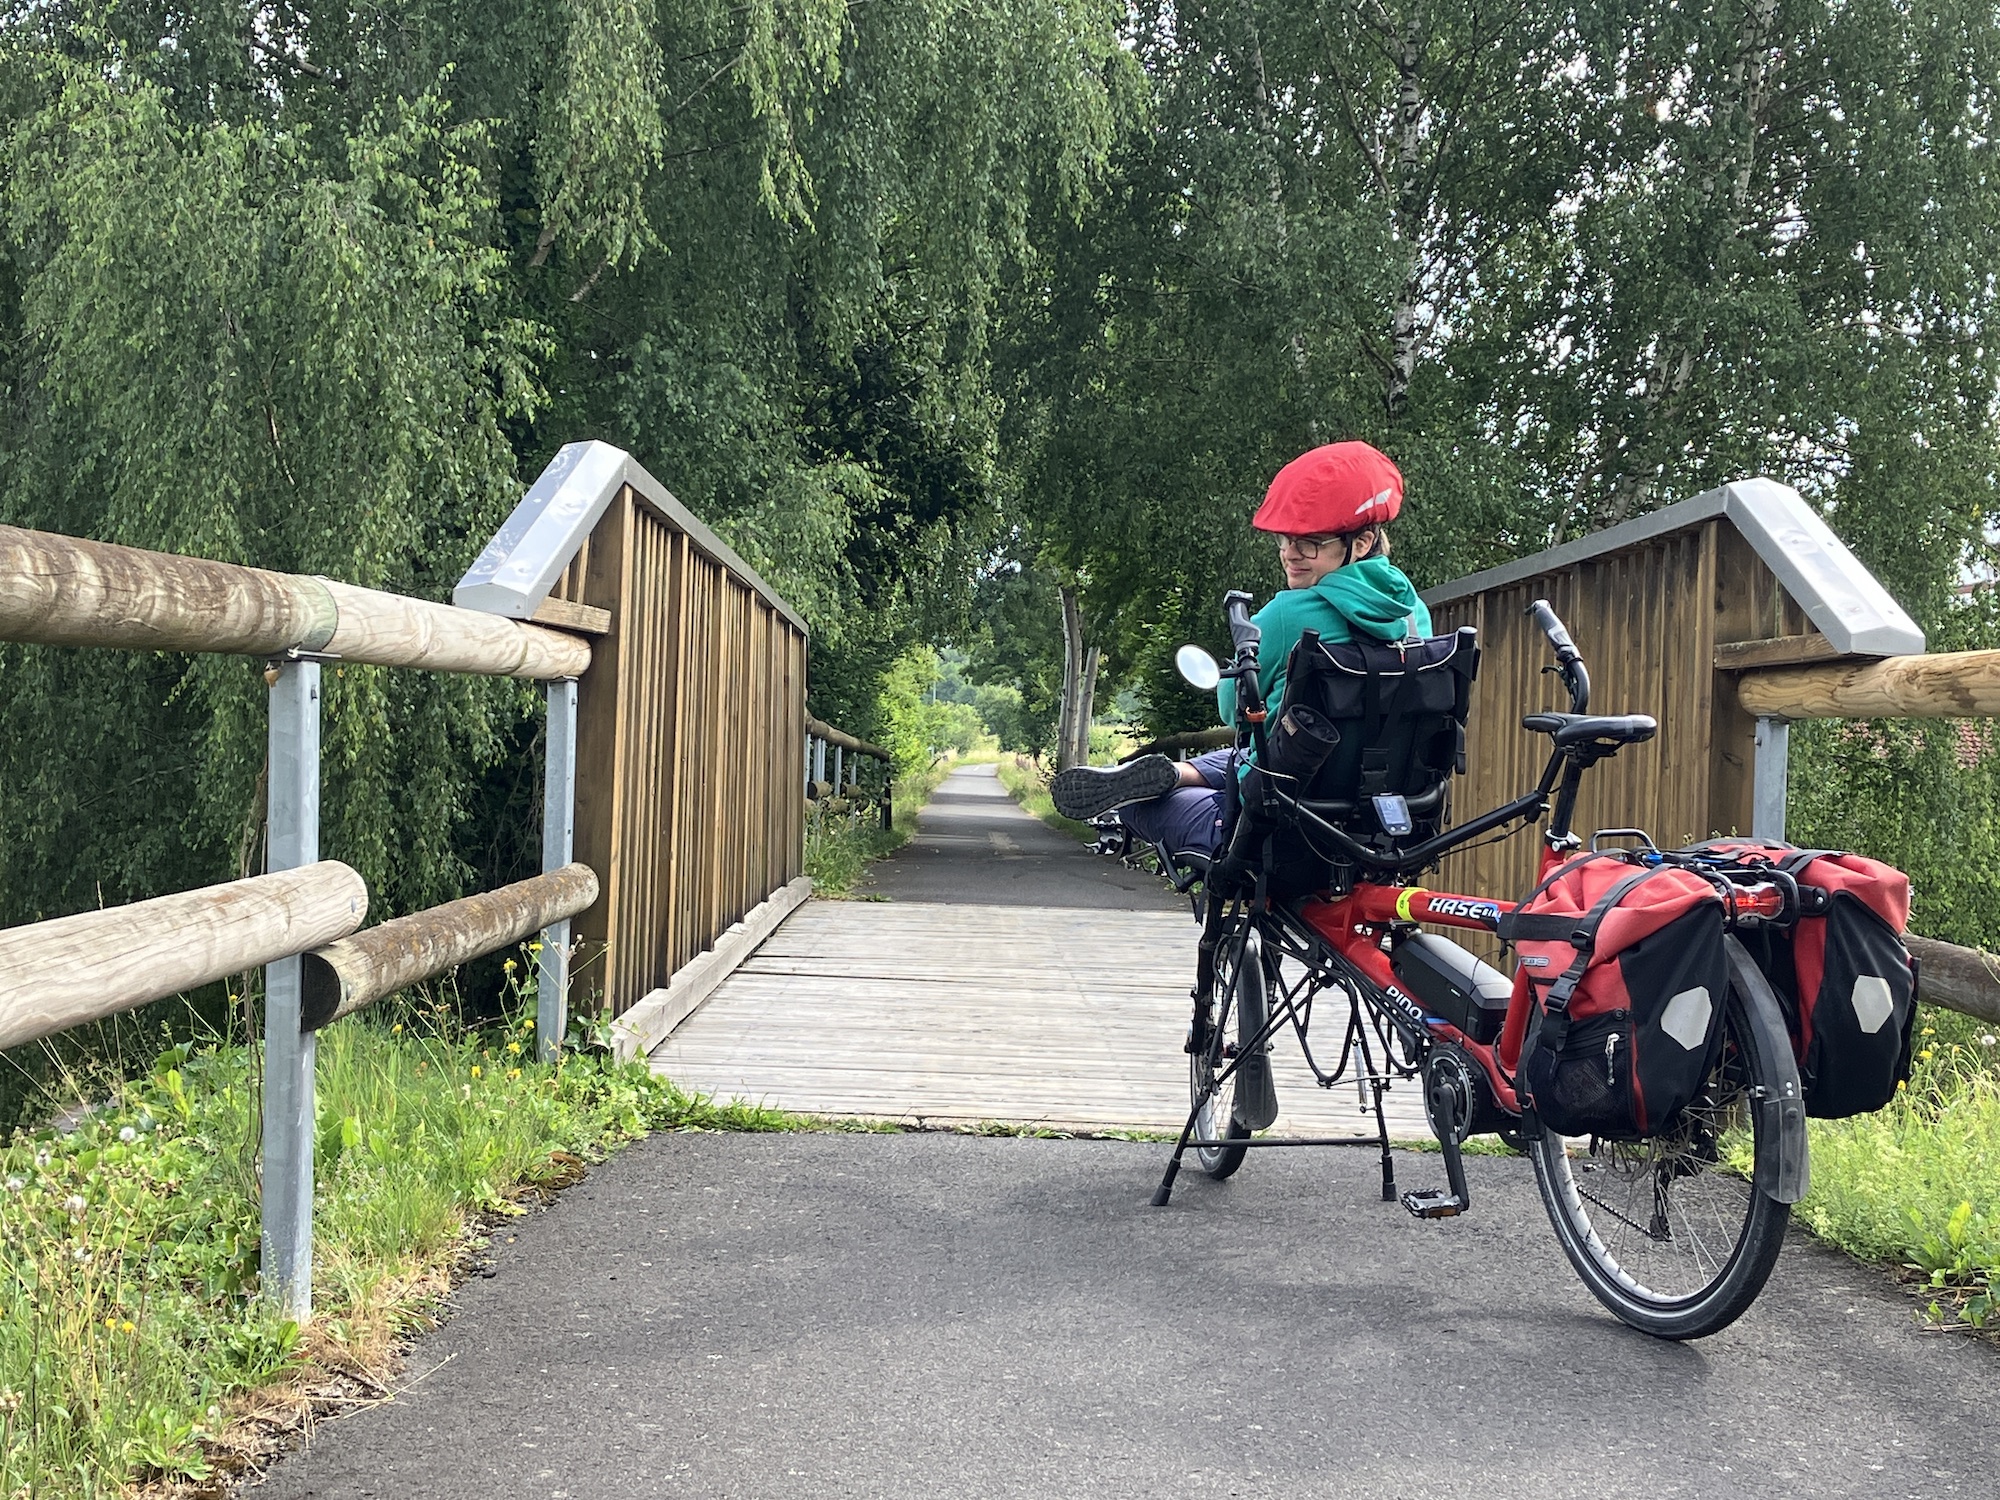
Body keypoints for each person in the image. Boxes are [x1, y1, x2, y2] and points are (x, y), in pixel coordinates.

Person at [1049, 440, 1432, 867]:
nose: (1289, 553)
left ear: (1361, 542)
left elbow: (1233, 710)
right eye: (1285, 538)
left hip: (1277, 825)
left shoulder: (1287, 616)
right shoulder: (1414, 617)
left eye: (1309, 542)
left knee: (1139, 807)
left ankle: (1165, 782)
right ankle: (1180, 773)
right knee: (1255, 754)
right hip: (1386, 819)